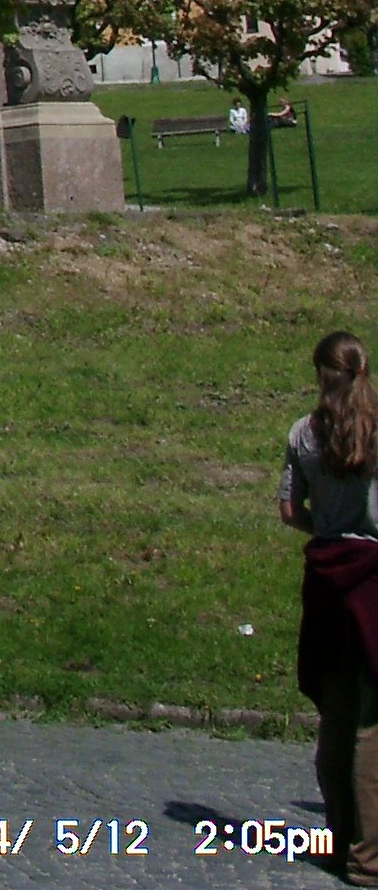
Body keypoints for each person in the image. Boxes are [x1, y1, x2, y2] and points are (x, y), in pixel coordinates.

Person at [283, 331, 378, 882]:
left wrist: (325, 524)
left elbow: (288, 509)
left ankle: (341, 840)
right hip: (375, 579)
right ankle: (369, 857)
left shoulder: (304, 432)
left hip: (326, 579)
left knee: (336, 714)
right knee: (373, 723)